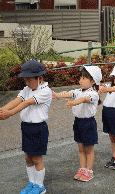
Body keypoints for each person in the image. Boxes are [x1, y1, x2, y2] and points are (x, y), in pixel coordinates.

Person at [0, 61, 52, 194]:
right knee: (28, 158)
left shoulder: (45, 91)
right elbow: (16, 101)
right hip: (26, 127)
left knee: (36, 159)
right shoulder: (27, 89)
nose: (27, 83)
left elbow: (28, 102)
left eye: (29, 80)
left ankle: (40, 186)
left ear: (40, 78)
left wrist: (10, 114)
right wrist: (2, 110)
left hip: (38, 128)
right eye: (25, 80)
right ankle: (32, 183)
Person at [52, 66, 102, 182]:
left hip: (88, 123)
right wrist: (57, 95)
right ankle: (82, 169)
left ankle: (89, 171)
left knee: (89, 149)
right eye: (80, 78)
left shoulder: (93, 94)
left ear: (93, 81)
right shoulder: (78, 91)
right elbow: (69, 93)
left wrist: (73, 103)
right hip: (78, 122)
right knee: (80, 148)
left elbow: (84, 99)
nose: (80, 80)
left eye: (84, 78)